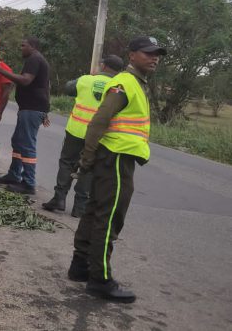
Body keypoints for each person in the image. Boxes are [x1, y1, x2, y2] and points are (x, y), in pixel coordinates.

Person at [68, 36, 166, 303]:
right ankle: (100, 279)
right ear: (132, 55)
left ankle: (80, 266)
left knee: (95, 211)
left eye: (157, 54)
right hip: (116, 158)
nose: (154, 57)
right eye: (148, 53)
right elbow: (99, 121)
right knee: (109, 218)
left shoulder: (134, 83)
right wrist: (86, 159)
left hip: (114, 156)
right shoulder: (124, 83)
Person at [42, 55, 124, 217]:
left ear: (103, 65)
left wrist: (90, 77)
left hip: (76, 131)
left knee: (67, 163)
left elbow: (68, 88)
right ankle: (80, 207)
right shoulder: (119, 87)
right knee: (89, 167)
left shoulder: (86, 80)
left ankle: (59, 199)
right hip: (99, 137)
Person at [0, 37, 50, 195]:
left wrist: (1, 71)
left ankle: (28, 183)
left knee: (27, 145)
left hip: (32, 108)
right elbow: (46, 86)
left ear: (33, 46)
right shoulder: (36, 59)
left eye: (23, 45)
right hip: (30, 108)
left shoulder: (34, 59)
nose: (21, 48)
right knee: (18, 141)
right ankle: (14, 175)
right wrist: (46, 110)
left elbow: (25, 81)